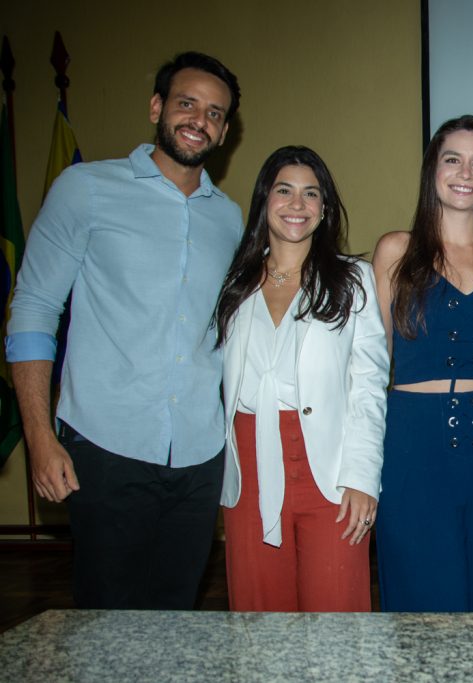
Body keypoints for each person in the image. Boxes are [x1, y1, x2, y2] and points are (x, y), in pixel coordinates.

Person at [6, 52, 242, 609]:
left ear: (225, 130)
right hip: (106, 447)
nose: (199, 120)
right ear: (157, 107)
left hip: (199, 454)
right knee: (106, 628)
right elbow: (34, 310)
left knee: (176, 616)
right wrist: (39, 437)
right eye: (187, 103)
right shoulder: (85, 188)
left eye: (214, 113)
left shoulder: (230, 218)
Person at [214, 146, 388, 612]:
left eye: (311, 193)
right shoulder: (233, 282)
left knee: (337, 615)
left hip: (330, 469)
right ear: (264, 200)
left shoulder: (353, 279)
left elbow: (369, 386)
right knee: (259, 617)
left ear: (324, 207)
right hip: (249, 467)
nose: (297, 204)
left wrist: (362, 477)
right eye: (284, 191)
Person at [371, 115, 473, 611]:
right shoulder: (395, 250)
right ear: (433, 171)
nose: (466, 173)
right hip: (414, 445)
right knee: (425, 597)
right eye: (453, 159)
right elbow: (373, 364)